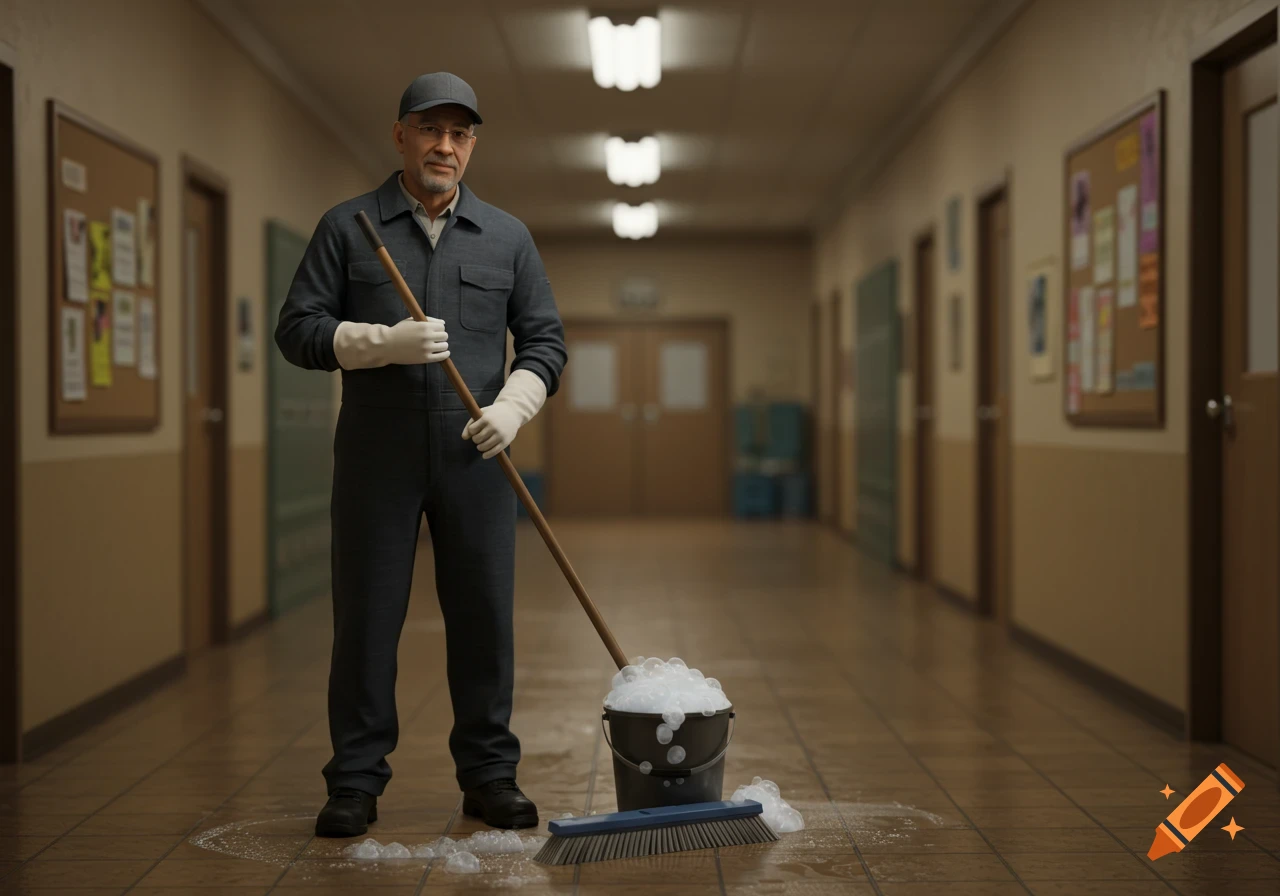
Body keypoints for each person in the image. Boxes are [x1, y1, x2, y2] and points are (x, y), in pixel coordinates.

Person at [274, 71, 567, 837]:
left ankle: (490, 776)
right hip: (378, 455)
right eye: (431, 129)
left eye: (461, 134)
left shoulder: (507, 237)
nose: (446, 146)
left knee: (483, 621)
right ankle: (356, 783)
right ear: (400, 134)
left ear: (472, 145)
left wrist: (515, 405)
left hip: (478, 456)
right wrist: (377, 343)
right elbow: (296, 329)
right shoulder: (349, 227)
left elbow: (545, 341)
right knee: (367, 620)